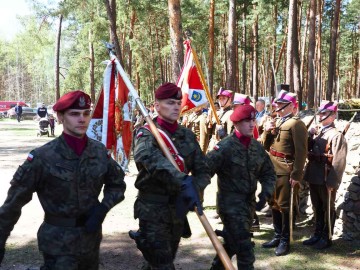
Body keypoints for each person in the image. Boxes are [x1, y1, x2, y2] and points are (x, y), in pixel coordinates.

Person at [0, 90, 126, 269]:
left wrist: (102, 208)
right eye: (74, 114)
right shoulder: (43, 157)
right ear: (59, 117)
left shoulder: (99, 153)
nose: (82, 119)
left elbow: (117, 184)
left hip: (90, 240)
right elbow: (13, 203)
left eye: (86, 113)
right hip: (58, 245)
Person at [132, 82, 210, 269]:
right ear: (157, 106)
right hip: (153, 209)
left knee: (163, 259)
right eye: (169, 102)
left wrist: (196, 188)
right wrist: (184, 181)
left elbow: (203, 169)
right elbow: (153, 162)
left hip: (178, 208)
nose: (176, 106)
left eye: (177, 102)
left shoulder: (188, 135)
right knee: (162, 263)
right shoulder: (146, 134)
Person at [206, 104, 276, 270]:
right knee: (245, 249)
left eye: (253, 120)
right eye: (246, 121)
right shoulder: (224, 147)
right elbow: (204, 171)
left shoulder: (257, 148)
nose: (252, 124)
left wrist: (265, 193)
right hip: (229, 206)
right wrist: (195, 192)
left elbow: (268, 173)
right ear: (236, 123)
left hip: (248, 207)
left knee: (231, 243)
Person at [261, 86, 308, 256]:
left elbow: (302, 152)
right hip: (272, 168)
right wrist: (267, 131)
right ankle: (277, 235)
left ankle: (285, 241)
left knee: (285, 206)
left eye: (281, 104)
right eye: (277, 103)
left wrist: (296, 175)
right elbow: (265, 146)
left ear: (291, 106)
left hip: (286, 170)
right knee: (273, 203)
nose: (277, 106)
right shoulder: (278, 122)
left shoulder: (296, 123)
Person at [302, 101, 347, 249]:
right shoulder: (319, 132)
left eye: (324, 113)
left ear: (333, 115)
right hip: (314, 175)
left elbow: (339, 162)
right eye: (320, 112)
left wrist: (332, 183)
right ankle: (317, 234)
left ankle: (326, 237)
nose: (320, 115)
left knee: (328, 207)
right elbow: (307, 149)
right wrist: (309, 134)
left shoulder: (336, 135)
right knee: (317, 206)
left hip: (326, 178)